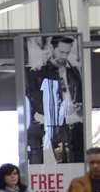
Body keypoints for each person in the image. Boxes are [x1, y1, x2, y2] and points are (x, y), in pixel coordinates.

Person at [26, 35, 84, 164]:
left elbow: (79, 94)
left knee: (75, 161)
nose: (64, 56)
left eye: (67, 52)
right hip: (51, 126)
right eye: (61, 52)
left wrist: (78, 107)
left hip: (73, 125)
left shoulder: (73, 72)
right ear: (52, 48)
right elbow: (37, 102)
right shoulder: (39, 73)